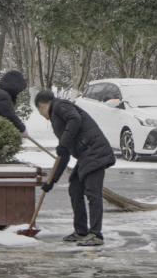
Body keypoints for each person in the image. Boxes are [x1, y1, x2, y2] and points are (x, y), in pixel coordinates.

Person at [34, 90, 116, 247]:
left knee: (92, 193)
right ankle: (81, 231)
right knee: (75, 189)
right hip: (86, 155)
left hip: (94, 151)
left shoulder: (59, 105)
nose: (41, 114)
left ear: (41, 105)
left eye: (39, 111)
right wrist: (52, 181)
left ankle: (96, 234)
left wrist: (63, 143)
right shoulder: (57, 118)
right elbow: (63, 155)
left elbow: (75, 119)